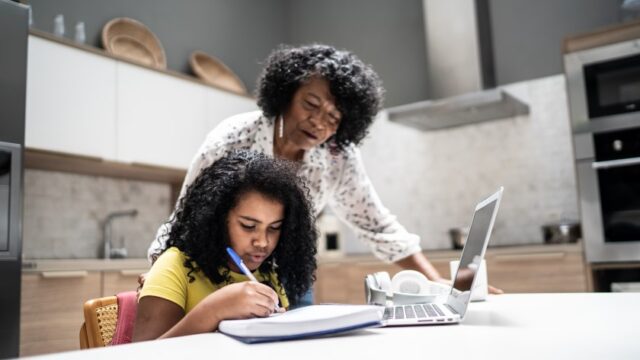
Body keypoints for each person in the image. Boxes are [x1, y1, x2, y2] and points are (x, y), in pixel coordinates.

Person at [145, 43, 502, 302]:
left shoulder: (337, 157)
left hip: (288, 275)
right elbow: (186, 218)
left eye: (333, 118)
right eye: (311, 104)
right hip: (216, 274)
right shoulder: (231, 139)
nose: (318, 122)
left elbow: (376, 225)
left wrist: (436, 281)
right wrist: (162, 280)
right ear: (285, 95)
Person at [133, 150, 317, 341]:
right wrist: (213, 310)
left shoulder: (267, 272)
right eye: (248, 226)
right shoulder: (173, 267)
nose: (263, 242)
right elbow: (141, 354)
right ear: (217, 219)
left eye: (274, 228)